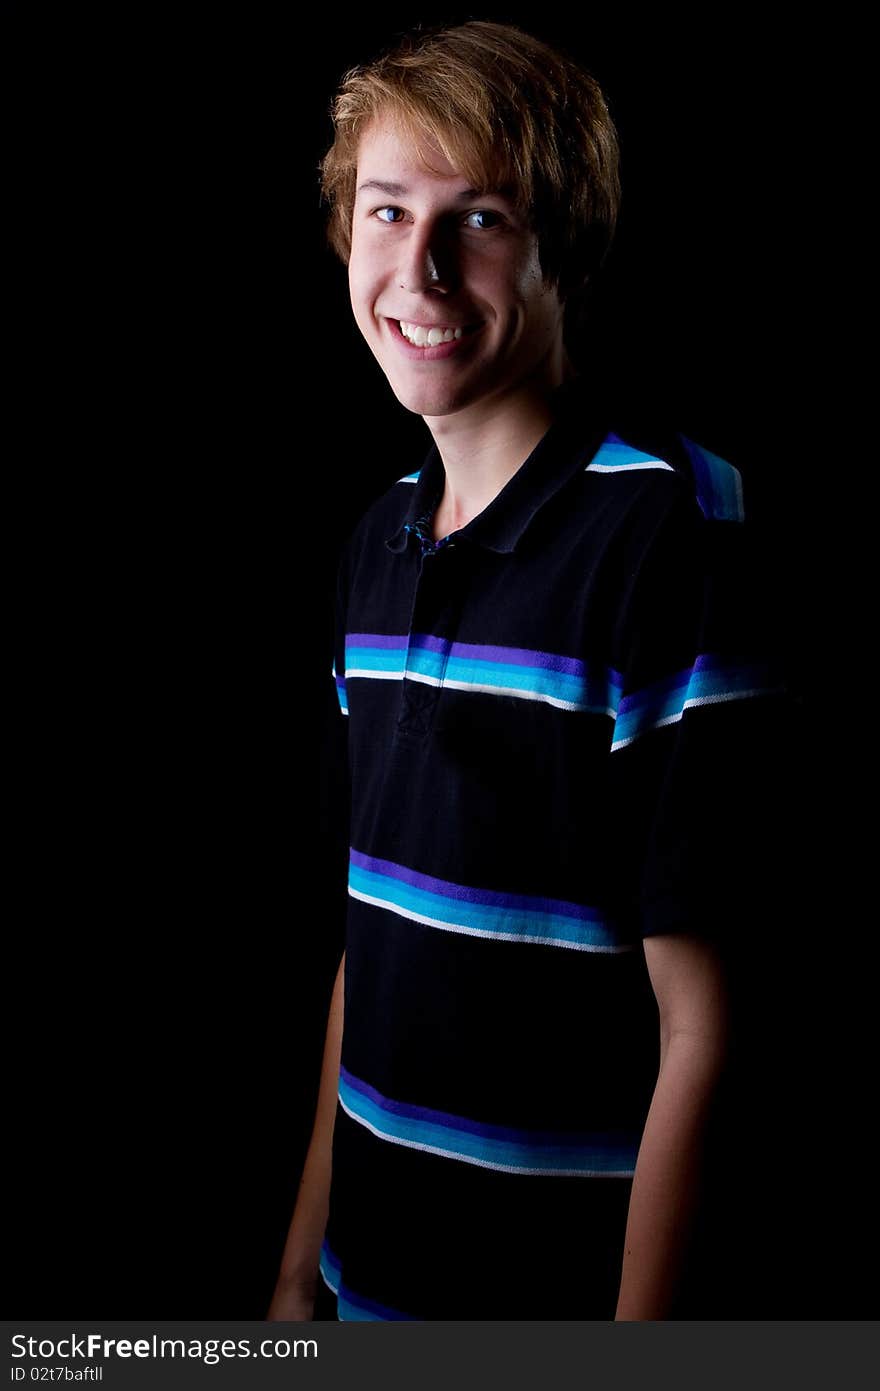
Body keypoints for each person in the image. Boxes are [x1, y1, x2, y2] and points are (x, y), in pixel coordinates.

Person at [268, 19, 791, 1322]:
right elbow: (369, 944)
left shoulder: (673, 536)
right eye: (386, 212)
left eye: (481, 218)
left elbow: (714, 1031)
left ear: (568, 246)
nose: (420, 269)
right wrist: (294, 1284)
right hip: (365, 1301)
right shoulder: (376, 546)